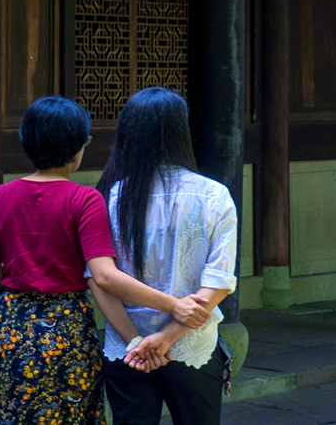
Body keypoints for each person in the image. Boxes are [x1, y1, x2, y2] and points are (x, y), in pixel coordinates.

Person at [0, 96, 210, 425]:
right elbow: (103, 276)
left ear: (26, 141)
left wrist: (28, 268)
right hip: (66, 326)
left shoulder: (0, 195)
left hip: (12, 323)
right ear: (78, 148)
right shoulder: (85, 199)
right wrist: (171, 305)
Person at [95, 87, 240, 425]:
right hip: (191, 347)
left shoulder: (111, 197)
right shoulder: (214, 196)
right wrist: (166, 338)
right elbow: (218, 283)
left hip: (127, 351)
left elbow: (101, 281)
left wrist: (137, 341)